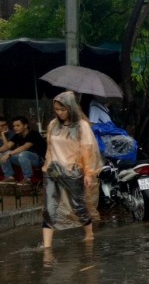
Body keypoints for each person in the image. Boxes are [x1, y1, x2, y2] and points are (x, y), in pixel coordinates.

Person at [41, 91, 103, 248]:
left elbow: (87, 150)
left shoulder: (81, 126)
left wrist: (88, 173)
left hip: (73, 170)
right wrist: (46, 166)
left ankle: (89, 234)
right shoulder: (53, 125)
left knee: (78, 206)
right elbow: (49, 148)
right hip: (53, 170)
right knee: (49, 207)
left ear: (71, 108)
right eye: (56, 109)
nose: (59, 113)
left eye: (63, 109)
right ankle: (47, 246)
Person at [0, 115, 47, 184]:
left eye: (18, 125)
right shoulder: (17, 135)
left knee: (23, 153)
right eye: (14, 126)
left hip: (39, 160)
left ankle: (28, 178)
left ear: (25, 126)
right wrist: (3, 134)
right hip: (23, 159)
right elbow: (7, 147)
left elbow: (25, 147)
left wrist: (9, 154)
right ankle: (9, 177)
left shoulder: (33, 134)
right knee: (3, 154)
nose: (15, 128)